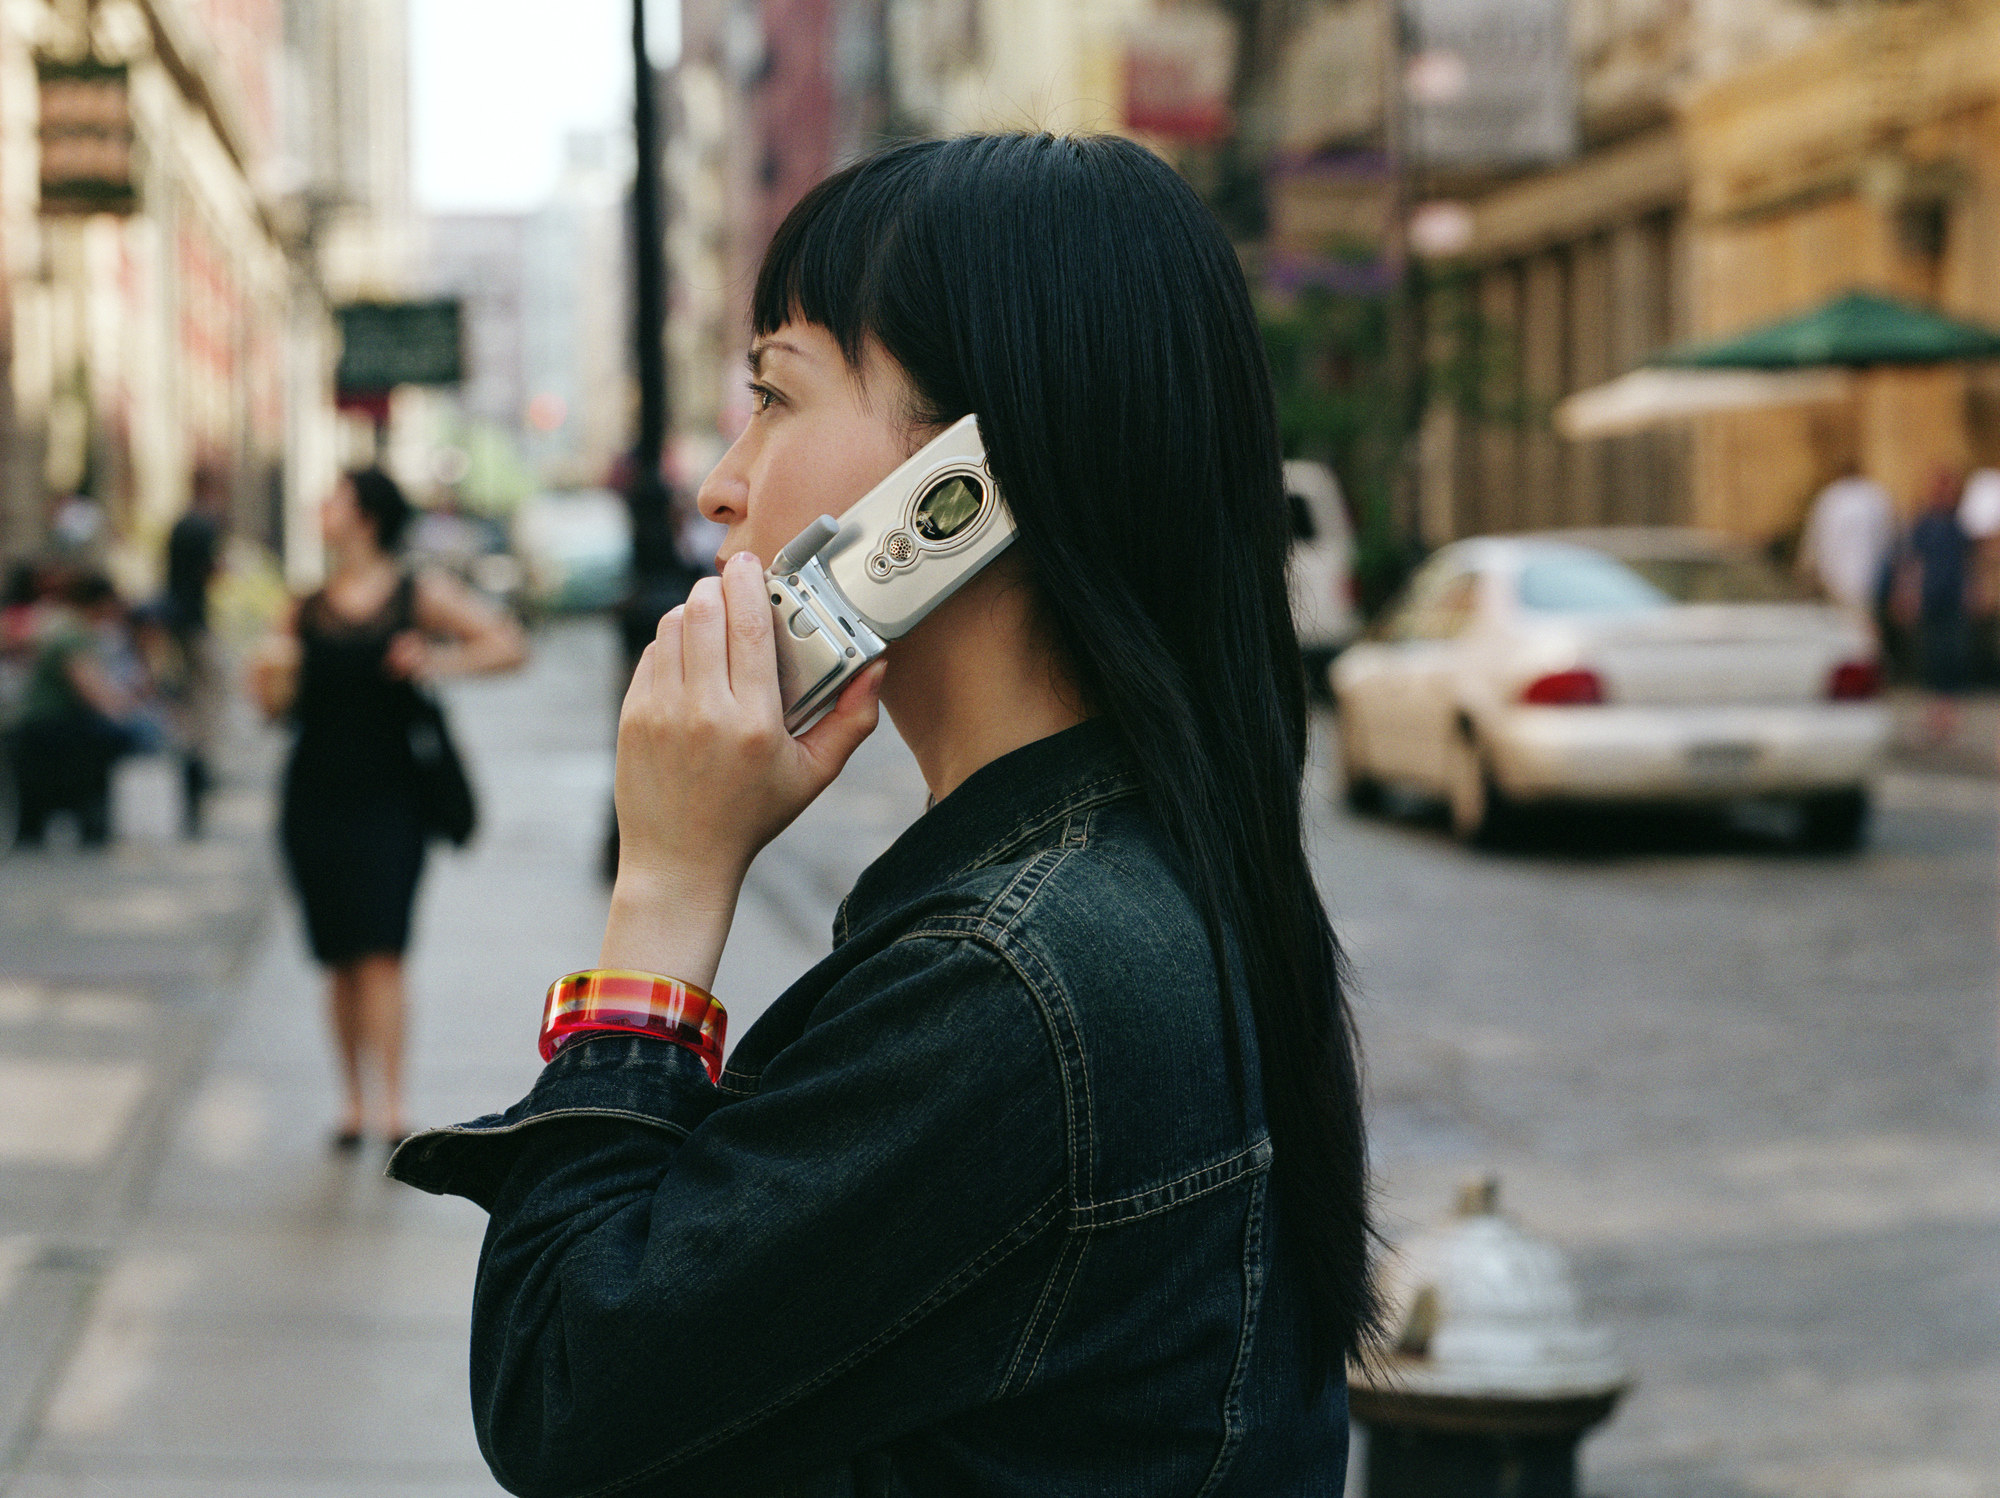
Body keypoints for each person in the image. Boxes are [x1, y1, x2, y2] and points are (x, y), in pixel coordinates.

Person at [389, 134, 1375, 1493]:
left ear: (958, 493)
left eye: (774, 397)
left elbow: (567, 1389)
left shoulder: (1014, 982)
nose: (721, 479)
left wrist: (667, 883)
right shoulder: (1147, 876)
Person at [250, 469, 526, 1148]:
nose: (323, 509)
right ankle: (351, 1101)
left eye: (335, 498)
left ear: (367, 515)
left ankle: (391, 1106)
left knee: (384, 952)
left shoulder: (415, 593)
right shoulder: (304, 604)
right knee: (338, 955)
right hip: (314, 795)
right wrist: (267, 673)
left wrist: (434, 658)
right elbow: (271, 709)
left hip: (391, 798)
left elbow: (508, 645)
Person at [9, 572, 150, 846]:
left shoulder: (72, 629)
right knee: (132, 733)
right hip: (49, 724)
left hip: (51, 722)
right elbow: (93, 692)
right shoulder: (72, 635)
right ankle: (97, 817)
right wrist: (129, 713)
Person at [164, 466, 228, 836]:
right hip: (194, 622)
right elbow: (211, 572)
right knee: (206, 696)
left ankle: (195, 759)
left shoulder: (179, 525)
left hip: (179, 619)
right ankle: (199, 762)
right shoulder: (201, 526)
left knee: (192, 694)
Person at [1904, 469, 1974, 745]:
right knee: (1932, 654)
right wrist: (1908, 594)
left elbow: (1968, 563)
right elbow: (1912, 563)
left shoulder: (1958, 524)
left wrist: (1972, 591)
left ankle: (1949, 709)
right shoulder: (1923, 524)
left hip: (1952, 598)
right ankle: (1935, 709)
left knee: (1953, 653)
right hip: (1930, 597)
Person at [1799, 464, 1895, 615]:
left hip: (1835, 578)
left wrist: (1807, 569)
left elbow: (1815, 540)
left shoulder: (1831, 496)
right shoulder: (1875, 495)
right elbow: (1887, 539)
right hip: (1868, 577)